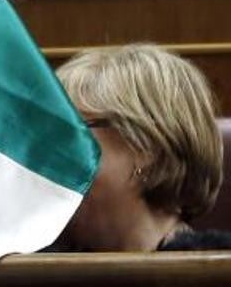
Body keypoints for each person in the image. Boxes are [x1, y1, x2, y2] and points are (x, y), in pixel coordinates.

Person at [53, 44, 229, 251]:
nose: (51, 157)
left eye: (72, 134)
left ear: (147, 147)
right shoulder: (27, 270)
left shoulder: (217, 270)